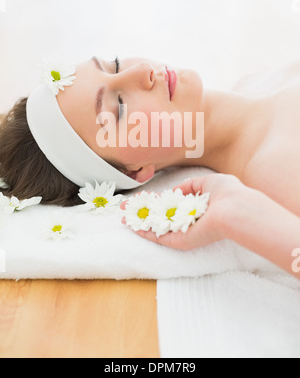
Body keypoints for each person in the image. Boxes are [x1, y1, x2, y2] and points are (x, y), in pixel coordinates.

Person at [0, 56, 300, 277]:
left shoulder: (260, 81)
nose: (141, 72)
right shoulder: (276, 168)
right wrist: (240, 216)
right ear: (133, 172)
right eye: (119, 107)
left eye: (115, 65)